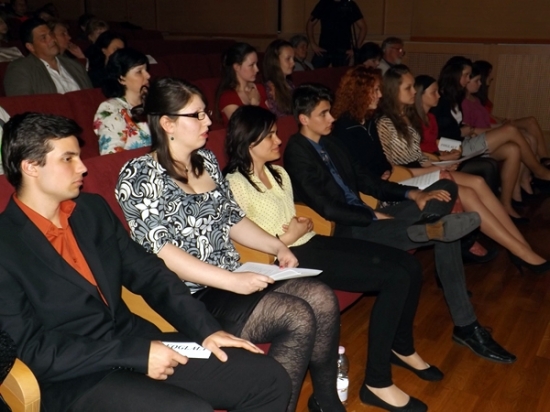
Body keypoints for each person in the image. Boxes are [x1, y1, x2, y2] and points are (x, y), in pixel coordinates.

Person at [0, 112, 291, 412]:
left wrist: (207, 330)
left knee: (267, 378)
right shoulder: (5, 246)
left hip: (136, 341)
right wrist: (135, 355)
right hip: (75, 378)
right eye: (68, 158)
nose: (82, 167)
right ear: (30, 166)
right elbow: (32, 349)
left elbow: (150, 274)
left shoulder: (91, 211)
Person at [116, 77, 341, 412]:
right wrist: (232, 281)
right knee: (296, 316)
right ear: (167, 123)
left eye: (206, 113)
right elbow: (161, 251)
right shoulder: (139, 175)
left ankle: (326, 401)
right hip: (187, 296)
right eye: (197, 115)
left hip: (231, 278)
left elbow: (233, 219)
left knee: (321, 297)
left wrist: (277, 246)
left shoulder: (205, 160)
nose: (208, 121)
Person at [284, 83, 517, 368]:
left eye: (330, 111)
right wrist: (372, 216)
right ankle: (467, 326)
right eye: (323, 114)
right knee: (446, 232)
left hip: (370, 215)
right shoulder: (297, 153)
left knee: (445, 187)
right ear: (304, 119)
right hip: (349, 228)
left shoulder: (331, 142)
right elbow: (328, 208)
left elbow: (368, 181)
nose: (332, 118)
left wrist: (413, 194)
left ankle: (430, 224)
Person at [225, 104, 441, 412]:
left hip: (311, 243)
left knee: (408, 264)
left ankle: (402, 348)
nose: (278, 140)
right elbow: (244, 243)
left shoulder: (280, 174)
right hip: (286, 261)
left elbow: (288, 218)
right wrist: (288, 237)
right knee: (394, 277)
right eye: (270, 135)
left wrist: (301, 224)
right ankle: (377, 383)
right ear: (249, 141)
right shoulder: (235, 183)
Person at [376, 66, 550, 273]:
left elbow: (417, 155)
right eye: (408, 88)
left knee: (478, 182)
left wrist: (439, 161)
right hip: (402, 181)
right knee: (469, 189)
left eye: (414, 86)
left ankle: (521, 246)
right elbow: (398, 164)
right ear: (393, 91)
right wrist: (436, 165)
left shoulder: (406, 115)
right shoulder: (385, 123)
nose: (414, 91)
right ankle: (519, 250)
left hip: (420, 172)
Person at [431, 57, 550, 218]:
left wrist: (465, 129)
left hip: (464, 141)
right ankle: (540, 171)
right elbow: (441, 132)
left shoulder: (455, 97)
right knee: (511, 130)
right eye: (466, 75)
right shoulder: (442, 99)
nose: (468, 79)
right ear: (455, 74)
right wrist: (462, 132)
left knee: (513, 149)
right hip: (454, 147)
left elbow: (455, 125)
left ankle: (506, 204)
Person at [474, 59, 550, 167]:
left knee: (531, 122)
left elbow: (487, 114)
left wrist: (501, 119)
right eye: (489, 74)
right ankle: (543, 164)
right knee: (527, 128)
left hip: (496, 123)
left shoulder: (480, 96)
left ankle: (544, 159)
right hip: (491, 128)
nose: (491, 77)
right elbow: (478, 122)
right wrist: (501, 124)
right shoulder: (472, 97)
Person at [4, 17, 92, 96]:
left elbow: (92, 99)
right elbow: (22, 105)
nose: (52, 39)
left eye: (51, 34)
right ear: (31, 47)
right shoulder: (20, 70)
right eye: (43, 38)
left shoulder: (75, 66)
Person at [93, 48, 151, 155]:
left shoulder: (154, 102)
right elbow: (110, 154)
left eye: (146, 70)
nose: (148, 75)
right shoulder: (110, 108)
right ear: (121, 79)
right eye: (139, 72)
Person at [216, 42, 268, 125]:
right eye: (251, 65)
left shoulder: (259, 88)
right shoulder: (228, 97)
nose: (257, 69)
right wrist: (254, 105)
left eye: (256, 64)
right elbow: (243, 127)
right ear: (236, 67)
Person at [306, 0, 367, 68]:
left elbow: (363, 27)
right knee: (314, 72)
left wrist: (355, 49)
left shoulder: (350, 5)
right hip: (324, 48)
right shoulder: (324, 3)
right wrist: (313, 44)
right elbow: (310, 24)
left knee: (342, 74)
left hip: (343, 50)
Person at [263, 39, 295, 118]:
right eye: (288, 59)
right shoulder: (269, 88)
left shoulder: (290, 84)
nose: (293, 63)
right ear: (275, 61)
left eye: (293, 59)